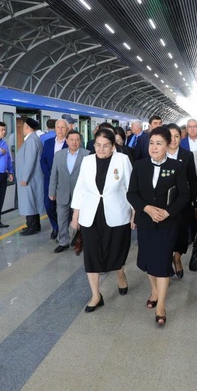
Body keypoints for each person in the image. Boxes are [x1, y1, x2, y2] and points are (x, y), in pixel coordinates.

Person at [128, 127, 190, 326]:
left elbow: (184, 195)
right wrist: (146, 208)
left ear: (168, 145)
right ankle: (154, 290)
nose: (154, 147)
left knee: (163, 262)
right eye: (151, 143)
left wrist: (167, 212)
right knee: (148, 261)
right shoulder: (139, 166)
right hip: (146, 222)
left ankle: (161, 305)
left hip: (168, 223)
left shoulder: (177, 166)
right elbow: (132, 193)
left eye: (159, 143)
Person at [71, 129, 133, 312]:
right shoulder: (87, 161)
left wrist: (134, 212)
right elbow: (80, 188)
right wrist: (76, 215)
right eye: (98, 145)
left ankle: (120, 272)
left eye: (106, 145)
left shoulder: (122, 160)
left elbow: (131, 187)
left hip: (116, 213)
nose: (101, 149)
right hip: (91, 214)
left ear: (113, 146)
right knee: (91, 253)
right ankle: (96, 295)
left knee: (116, 249)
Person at [164, 123, 197, 278]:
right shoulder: (159, 154)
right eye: (170, 136)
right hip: (163, 204)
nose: (173, 140)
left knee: (182, 235)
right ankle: (165, 263)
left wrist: (196, 203)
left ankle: (177, 258)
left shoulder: (186, 155)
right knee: (166, 235)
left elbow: (192, 180)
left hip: (183, 203)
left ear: (181, 137)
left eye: (177, 136)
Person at [49, 130, 89, 253]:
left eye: (77, 140)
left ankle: (80, 242)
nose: (74, 142)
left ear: (80, 141)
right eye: (71, 139)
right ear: (66, 141)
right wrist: (52, 191)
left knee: (81, 219)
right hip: (62, 192)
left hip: (81, 194)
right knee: (62, 218)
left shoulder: (87, 154)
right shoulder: (58, 155)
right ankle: (63, 242)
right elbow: (53, 174)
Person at [17, 118, 46, 236]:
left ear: (28, 127)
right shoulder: (33, 139)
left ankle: (32, 226)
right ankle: (32, 225)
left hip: (30, 178)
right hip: (31, 177)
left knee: (30, 202)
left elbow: (30, 161)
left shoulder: (31, 140)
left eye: (24, 126)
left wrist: (25, 178)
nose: (23, 129)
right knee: (31, 201)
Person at [41, 119, 69, 239]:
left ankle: (63, 230)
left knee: (65, 207)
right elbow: (43, 160)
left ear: (67, 129)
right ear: (55, 129)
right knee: (49, 206)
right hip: (49, 180)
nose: (60, 130)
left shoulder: (70, 142)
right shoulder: (48, 142)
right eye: (58, 127)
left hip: (65, 180)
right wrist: (49, 174)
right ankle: (56, 227)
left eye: (63, 127)